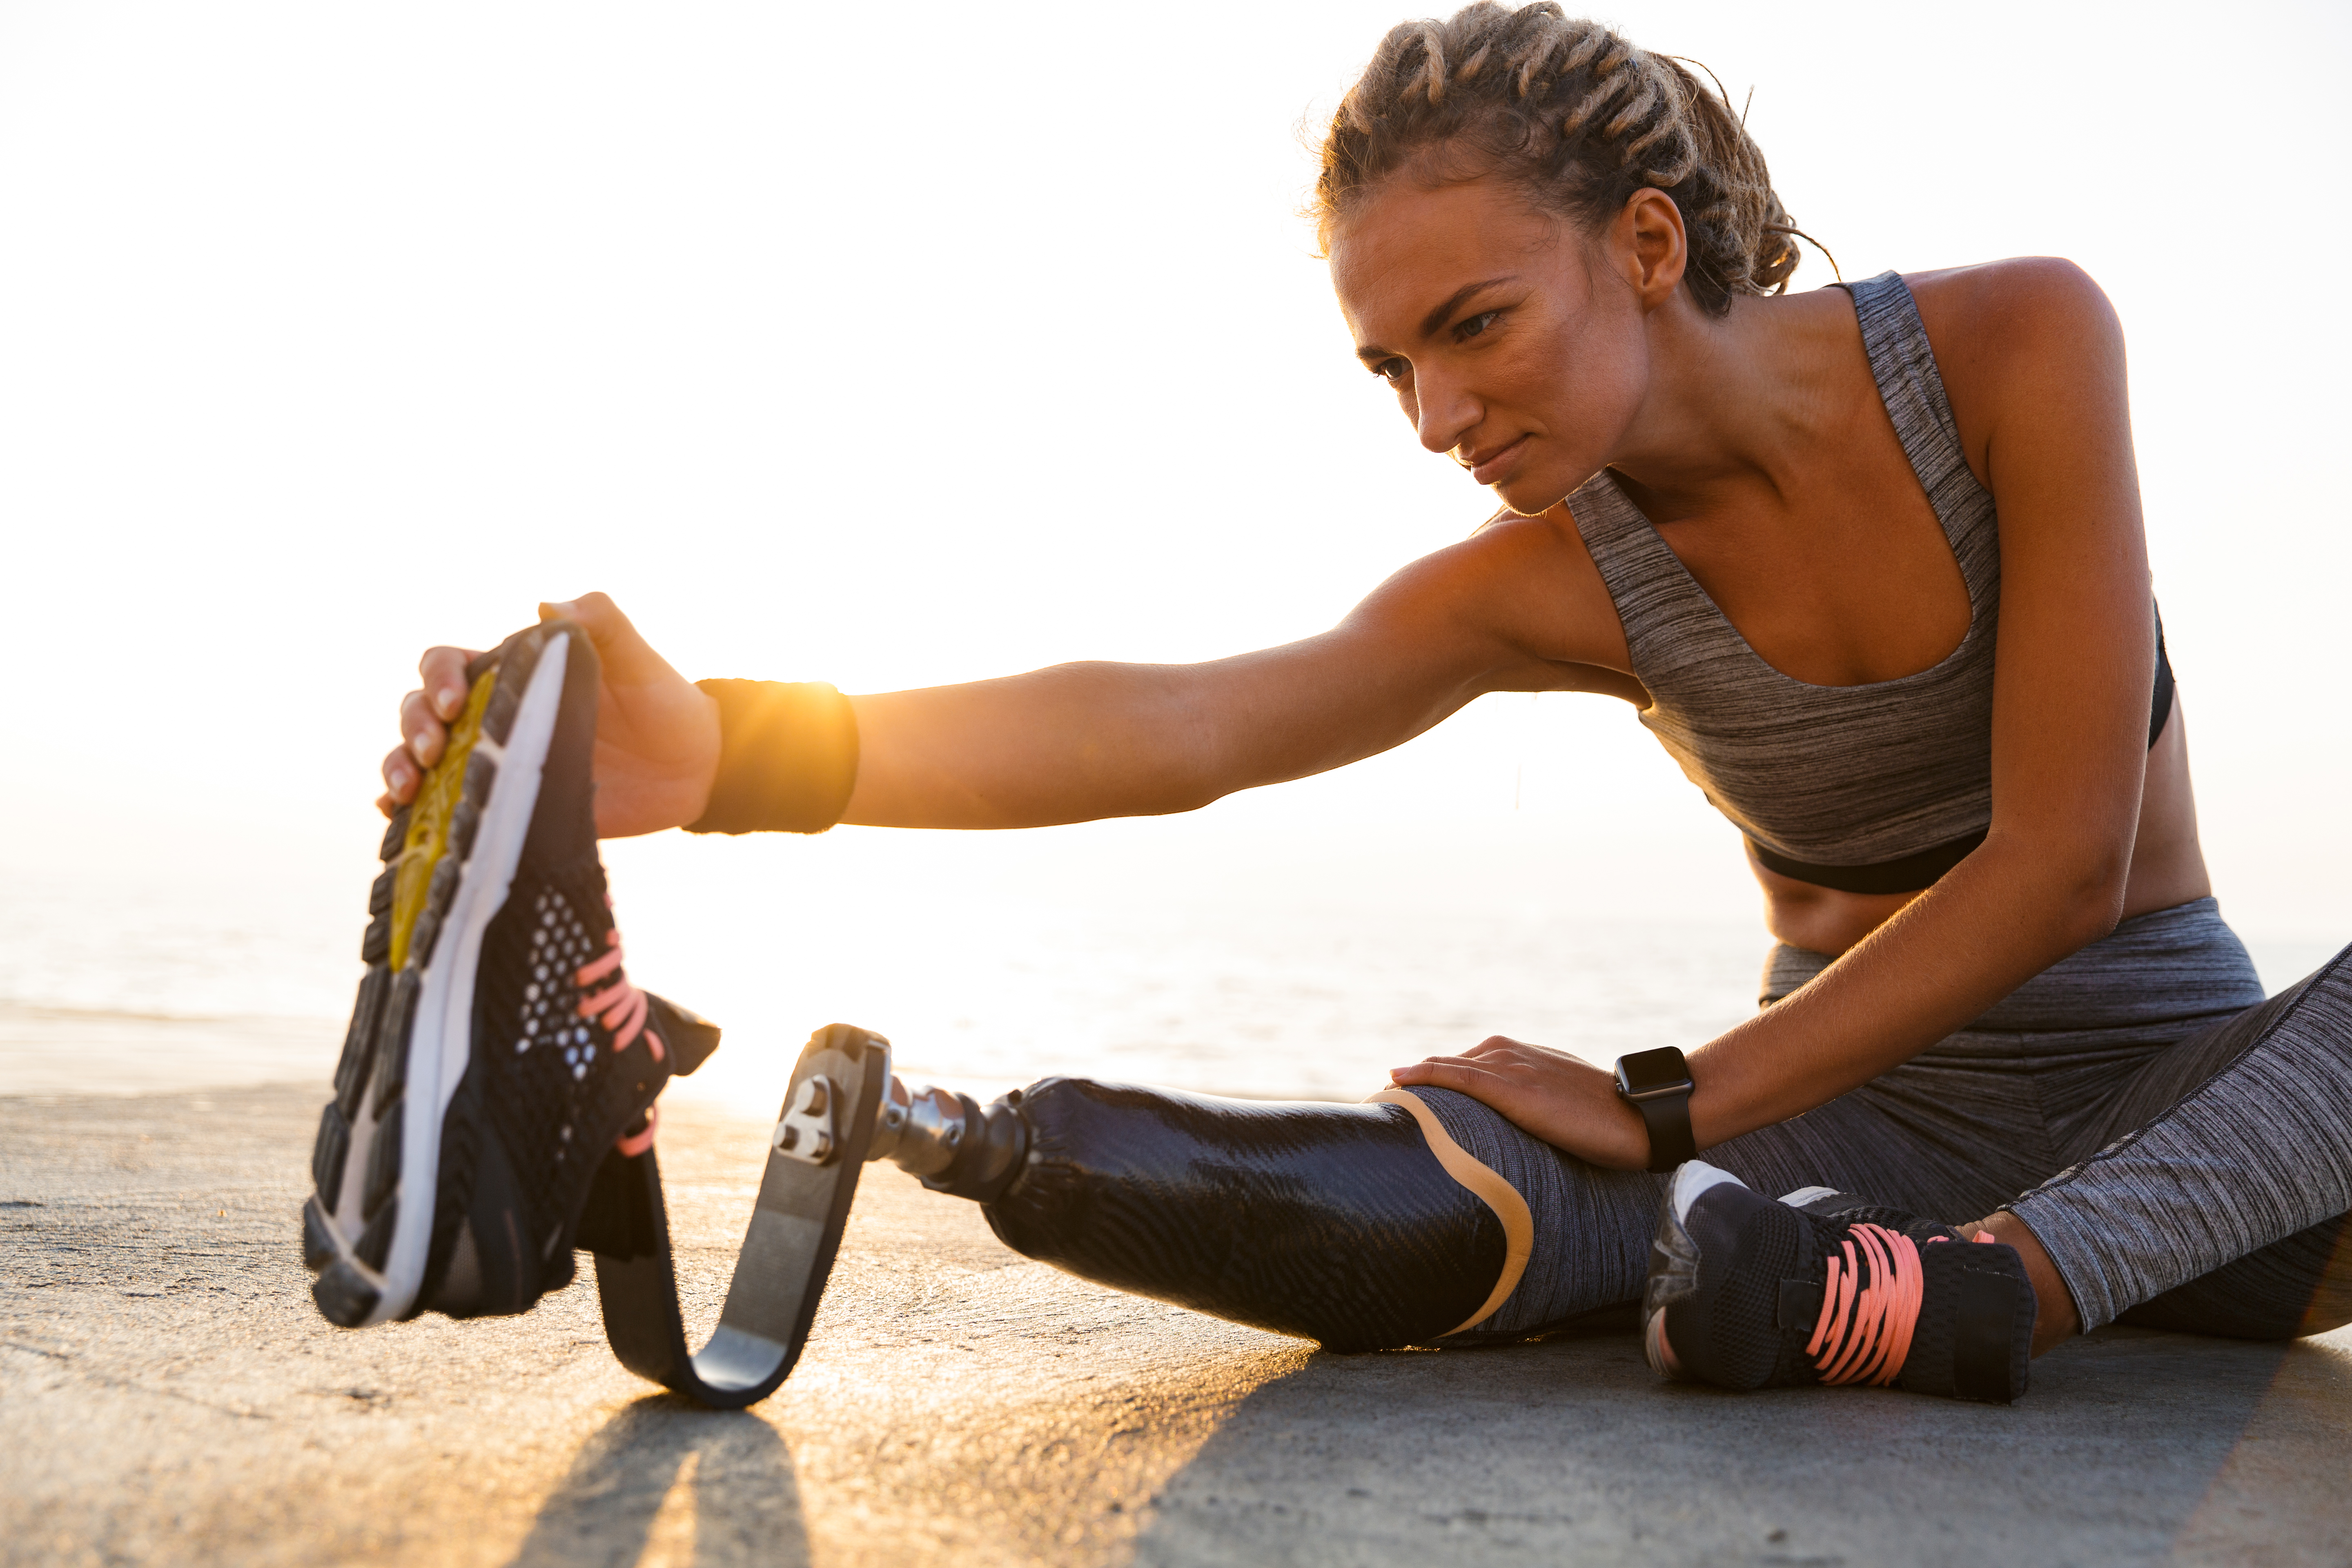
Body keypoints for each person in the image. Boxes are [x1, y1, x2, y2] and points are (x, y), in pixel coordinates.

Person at [334, 2, 2352, 1403]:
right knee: (1474, 1180)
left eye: (1475, 330)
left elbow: (2067, 858)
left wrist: (1674, 1105)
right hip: (1836, 1177)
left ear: (1648, 245)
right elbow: (1194, 724)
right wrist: (731, 760)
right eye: (1391, 368)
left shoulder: (2017, 348)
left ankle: (1988, 1296)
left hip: (2216, 1138)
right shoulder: (1551, 577)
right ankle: (954, 1141)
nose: (1441, 418)